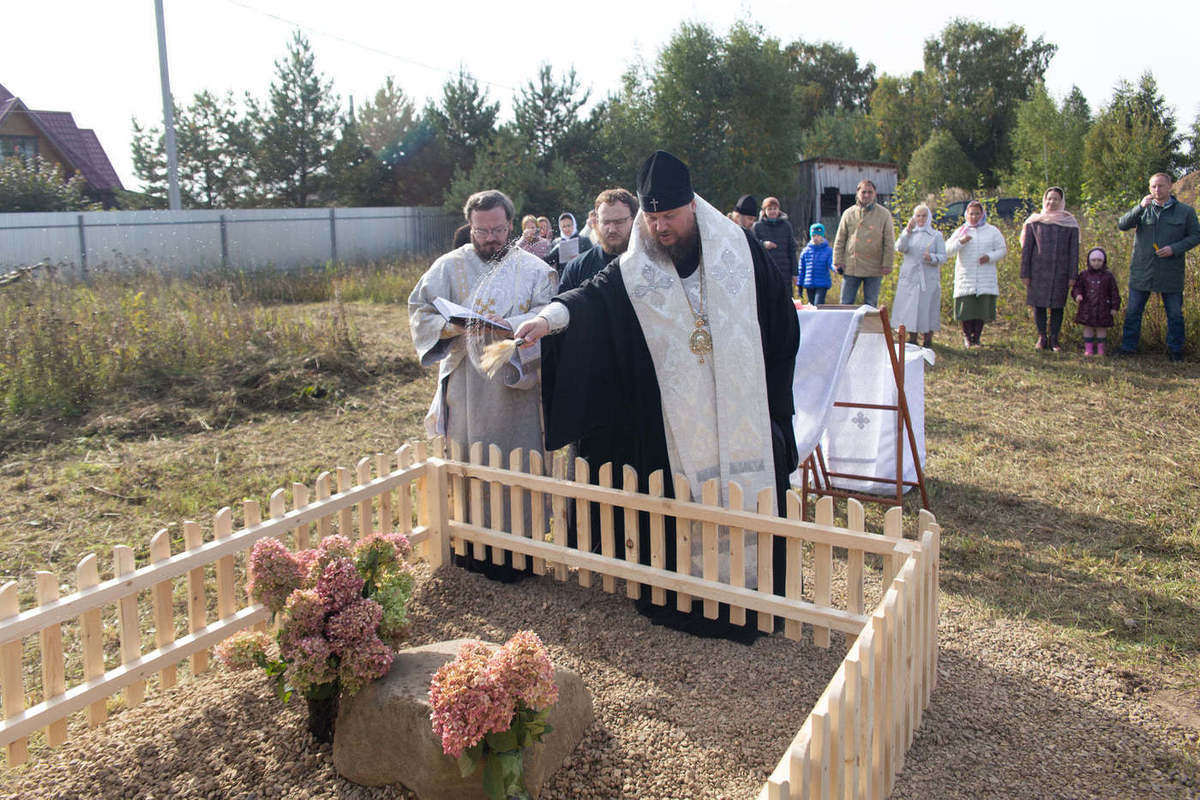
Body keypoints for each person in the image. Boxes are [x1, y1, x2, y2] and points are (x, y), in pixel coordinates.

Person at [515, 150, 800, 641]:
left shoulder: (739, 247)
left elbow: (780, 319)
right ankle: (690, 593)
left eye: (669, 216)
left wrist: (766, 385)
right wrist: (549, 318)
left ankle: (756, 593)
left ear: (691, 206)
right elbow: (595, 296)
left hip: (741, 405)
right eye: (653, 216)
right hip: (677, 416)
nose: (661, 227)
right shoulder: (639, 261)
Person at [408, 190, 558, 579]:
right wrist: (450, 325)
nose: (490, 237)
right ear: (469, 227)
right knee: (468, 460)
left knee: (520, 464)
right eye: (481, 230)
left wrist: (515, 329)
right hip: (466, 384)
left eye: (497, 229)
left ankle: (522, 551)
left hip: (515, 385)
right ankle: (472, 545)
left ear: (510, 225)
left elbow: (548, 312)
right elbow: (420, 310)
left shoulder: (534, 270)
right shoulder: (448, 267)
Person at [1117, 172, 1200, 362]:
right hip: (1142, 270)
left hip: (1170, 271)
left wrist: (1174, 248)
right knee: (1133, 312)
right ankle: (1128, 348)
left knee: (1175, 314)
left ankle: (1175, 351)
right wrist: (1139, 207)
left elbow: (1196, 236)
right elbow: (1122, 224)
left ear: (1170, 187)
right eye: (1153, 186)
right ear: (1149, 188)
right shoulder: (1143, 209)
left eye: (1161, 186)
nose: (1157, 190)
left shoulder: (1185, 211)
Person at [1020, 187, 1080, 352]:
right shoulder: (1034, 222)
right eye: (1049, 198)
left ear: (1062, 202)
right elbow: (1027, 249)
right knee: (1038, 305)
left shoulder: (1070, 222)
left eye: (1055, 199)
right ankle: (1041, 337)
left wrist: (1072, 275)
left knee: (1057, 306)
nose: (1051, 202)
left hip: (1061, 271)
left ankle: (1054, 338)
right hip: (1037, 271)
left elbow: (1074, 251)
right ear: (1044, 200)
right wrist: (1025, 273)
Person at [946, 200, 1006, 348]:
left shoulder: (992, 231)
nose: (974, 217)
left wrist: (990, 257)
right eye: (971, 213)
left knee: (981, 309)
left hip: (985, 275)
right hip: (966, 276)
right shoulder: (961, 231)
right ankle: (967, 337)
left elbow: (1002, 249)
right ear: (966, 214)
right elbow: (947, 250)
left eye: (977, 213)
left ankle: (976, 338)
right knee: (967, 309)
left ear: (983, 214)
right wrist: (961, 242)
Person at [560, 188, 638, 292]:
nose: (612, 229)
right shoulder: (577, 268)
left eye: (619, 222)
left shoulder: (652, 261)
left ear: (634, 219)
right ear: (596, 222)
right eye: (606, 222)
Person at [892, 204, 946, 347]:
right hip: (910, 276)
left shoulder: (936, 235)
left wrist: (932, 257)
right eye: (918, 216)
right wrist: (907, 232)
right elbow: (900, 248)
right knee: (910, 307)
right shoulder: (909, 233)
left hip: (928, 277)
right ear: (913, 217)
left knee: (927, 307)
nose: (921, 219)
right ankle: (912, 337)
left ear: (929, 218)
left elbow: (943, 256)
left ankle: (928, 339)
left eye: (924, 216)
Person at [833, 180, 895, 306]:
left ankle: (868, 326)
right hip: (851, 266)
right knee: (845, 303)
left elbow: (889, 242)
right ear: (857, 193)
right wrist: (837, 261)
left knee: (870, 305)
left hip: (874, 266)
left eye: (870, 192)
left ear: (875, 194)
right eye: (863, 192)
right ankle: (845, 326)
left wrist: (887, 264)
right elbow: (840, 239)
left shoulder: (884, 214)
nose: (866, 195)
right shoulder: (848, 213)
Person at [1073, 247, 1121, 357]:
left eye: (1099, 260)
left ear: (1104, 261)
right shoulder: (1084, 275)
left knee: (1101, 328)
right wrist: (1077, 295)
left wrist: (1114, 307)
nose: (1096, 263)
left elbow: (1114, 292)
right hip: (1087, 308)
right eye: (1093, 260)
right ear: (1089, 261)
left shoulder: (1108, 276)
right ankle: (1088, 349)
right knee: (1088, 327)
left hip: (1104, 308)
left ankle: (1101, 350)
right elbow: (1077, 287)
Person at [752, 196, 799, 290]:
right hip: (766, 271)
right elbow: (753, 246)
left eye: (775, 208)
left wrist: (794, 273)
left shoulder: (786, 226)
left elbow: (792, 249)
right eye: (769, 209)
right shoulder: (757, 227)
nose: (773, 211)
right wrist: (764, 244)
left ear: (779, 210)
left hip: (784, 271)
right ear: (764, 210)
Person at [797, 222, 833, 305]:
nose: (816, 238)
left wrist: (836, 268)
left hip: (822, 283)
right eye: (813, 236)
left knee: (818, 305)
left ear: (822, 236)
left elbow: (831, 263)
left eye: (818, 235)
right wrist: (800, 285)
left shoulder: (828, 250)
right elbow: (801, 269)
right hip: (809, 283)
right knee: (811, 306)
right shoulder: (806, 251)